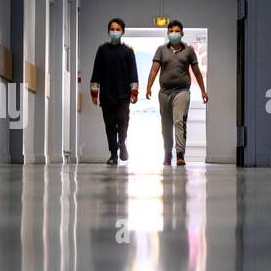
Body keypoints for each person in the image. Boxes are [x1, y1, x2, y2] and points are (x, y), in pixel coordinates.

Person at [145, 20, 208, 166]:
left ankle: (180, 154)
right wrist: (148, 87)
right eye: (171, 31)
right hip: (164, 92)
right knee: (165, 125)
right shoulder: (161, 50)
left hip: (182, 91)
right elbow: (154, 70)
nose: (174, 33)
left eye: (177, 31)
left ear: (182, 33)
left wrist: (203, 91)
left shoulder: (189, 51)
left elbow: (197, 72)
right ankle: (167, 154)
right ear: (168, 33)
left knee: (179, 121)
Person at [89, 18, 138, 165]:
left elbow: (133, 73)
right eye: (112, 29)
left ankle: (122, 143)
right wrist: (94, 92)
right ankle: (113, 154)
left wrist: (134, 92)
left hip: (123, 95)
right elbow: (96, 71)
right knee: (109, 126)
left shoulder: (128, 52)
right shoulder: (102, 50)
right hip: (107, 96)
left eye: (118, 29)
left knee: (123, 121)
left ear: (122, 31)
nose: (115, 32)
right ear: (109, 31)